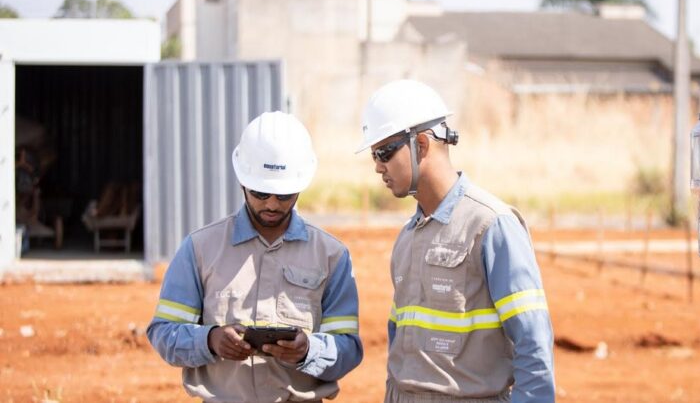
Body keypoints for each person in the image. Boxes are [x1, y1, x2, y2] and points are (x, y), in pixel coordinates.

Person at [357, 80, 555, 403]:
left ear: (421, 145)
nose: (378, 166)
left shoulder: (491, 225)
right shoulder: (408, 238)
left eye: (384, 152)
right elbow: (400, 345)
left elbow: (533, 344)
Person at [147, 111, 363, 402]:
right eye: (261, 193)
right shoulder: (200, 248)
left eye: (284, 195)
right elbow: (164, 332)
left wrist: (308, 351)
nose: (272, 204)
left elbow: (348, 347)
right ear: (242, 182)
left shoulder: (331, 255)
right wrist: (209, 340)